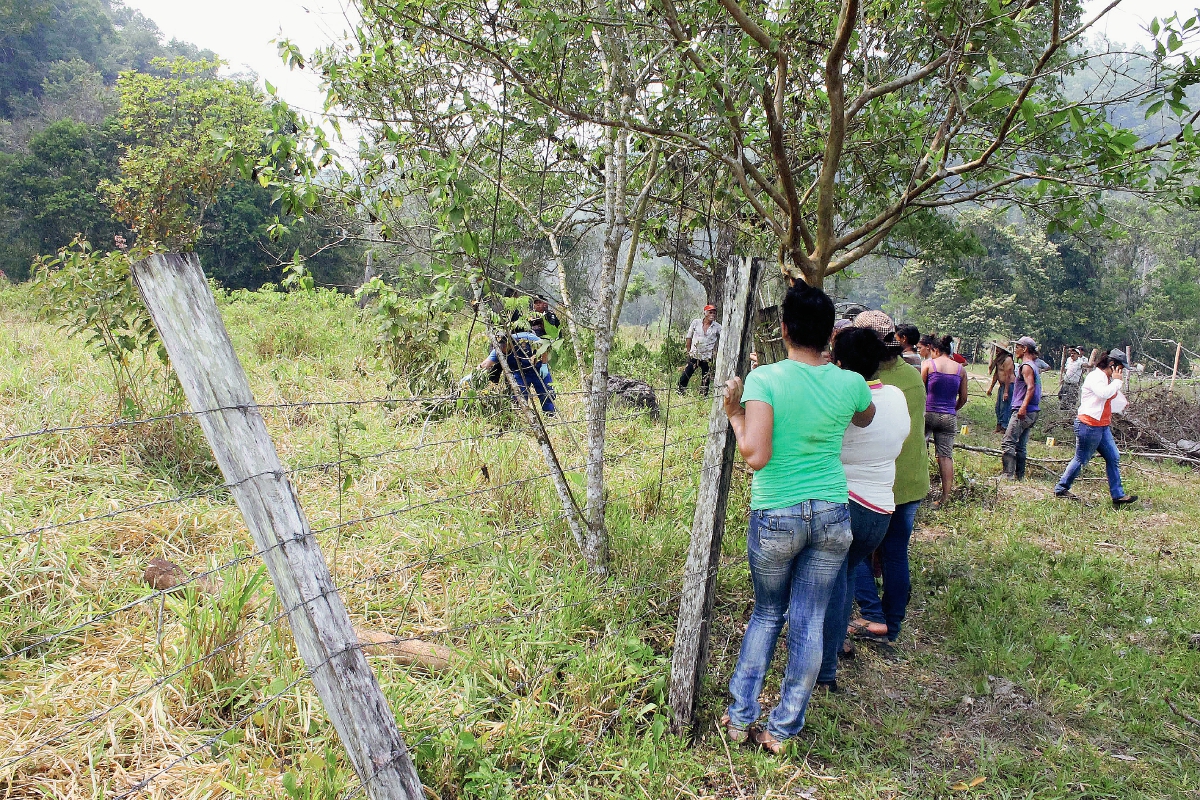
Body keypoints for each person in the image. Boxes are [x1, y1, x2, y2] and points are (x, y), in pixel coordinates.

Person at [720, 283, 875, 753]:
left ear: (783, 329)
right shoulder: (849, 383)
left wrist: (733, 412)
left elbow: (756, 455)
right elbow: (865, 418)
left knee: (768, 614)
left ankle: (740, 718)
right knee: (809, 620)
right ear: (830, 334)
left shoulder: (766, 379)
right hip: (831, 513)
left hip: (777, 513)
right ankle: (782, 730)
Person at [817, 324, 910, 692]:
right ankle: (835, 644)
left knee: (834, 584)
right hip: (881, 509)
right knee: (845, 576)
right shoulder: (897, 397)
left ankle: (825, 671)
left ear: (838, 362)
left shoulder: (837, 399)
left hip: (848, 503)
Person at [849, 311, 930, 645]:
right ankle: (893, 624)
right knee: (896, 553)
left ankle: (871, 614)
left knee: (852, 551)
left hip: (878, 482)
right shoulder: (912, 375)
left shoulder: (866, 382)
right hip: (911, 480)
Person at [1054, 350, 1138, 507]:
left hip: (1101, 425)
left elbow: (1110, 398)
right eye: (1120, 368)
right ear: (1112, 364)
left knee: (1113, 457)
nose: (1122, 372)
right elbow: (1103, 394)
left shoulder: (1106, 378)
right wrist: (1117, 382)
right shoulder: (1096, 377)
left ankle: (1118, 495)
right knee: (1081, 459)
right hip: (1089, 425)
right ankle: (1061, 488)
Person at [921, 334, 968, 507]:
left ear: (935, 350)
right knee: (945, 456)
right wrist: (952, 409)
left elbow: (920, 391)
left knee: (920, 451)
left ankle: (919, 492)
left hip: (928, 413)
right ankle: (945, 497)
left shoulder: (928, 365)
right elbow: (963, 398)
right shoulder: (960, 369)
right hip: (948, 417)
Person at [473, 332, 556, 415]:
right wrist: (472, 375)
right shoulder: (498, 351)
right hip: (519, 373)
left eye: (504, 346)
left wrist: (544, 364)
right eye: (500, 347)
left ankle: (550, 415)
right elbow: (485, 364)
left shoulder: (527, 338)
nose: (503, 349)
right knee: (519, 397)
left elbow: (544, 347)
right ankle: (523, 417)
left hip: (539, 369)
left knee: (546, 394)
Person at [1001, 336, 1042, 480]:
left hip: (1024, 410)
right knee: (1021, 446)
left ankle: (1008, 474)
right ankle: (1020, 475)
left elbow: (1030, 388)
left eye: (1018, 347)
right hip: (1033, 410)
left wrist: (1022, 408)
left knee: (1008, 441)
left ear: (1024, 349)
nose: (1015, 349)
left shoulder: (1026, 367)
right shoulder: (1033, 365)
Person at [678, 304, 721, 395]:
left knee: (706, 378)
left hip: (707, 356)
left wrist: (717, 353)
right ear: (705, 313)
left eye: (714, 313)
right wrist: (689, 350)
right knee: (686, 374)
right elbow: (689, 336)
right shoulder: (696, 322)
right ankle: (680, 391)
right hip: (695, 354)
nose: (712, 314)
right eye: (710, 312)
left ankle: (703, 395)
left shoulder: (717, 327)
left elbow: (724, 338)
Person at [986, 344, 1016, 433]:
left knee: (1005, 406)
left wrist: (1006, 392)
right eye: (997, 348)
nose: (997, 350)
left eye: (999, 348)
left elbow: (1008, 376)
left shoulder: (1008, 360)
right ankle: (999, 425)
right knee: (998, 407)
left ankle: (1005, 427)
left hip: (1009, 386)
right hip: (1002, 386)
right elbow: (996, 374)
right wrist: (991, 388)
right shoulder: (999, 360)